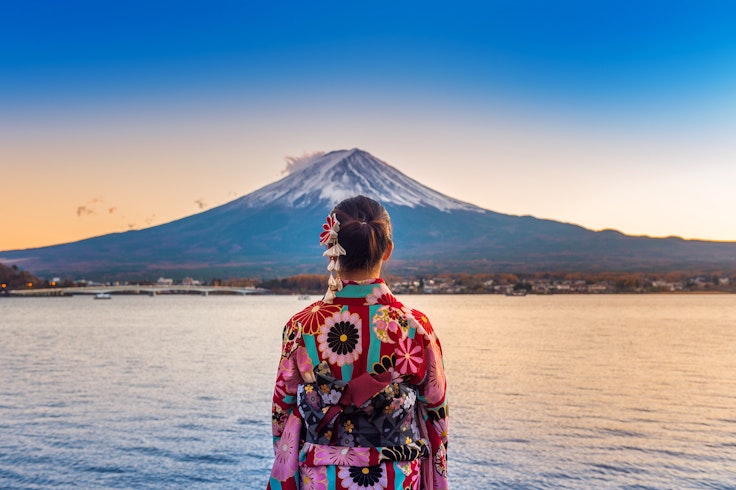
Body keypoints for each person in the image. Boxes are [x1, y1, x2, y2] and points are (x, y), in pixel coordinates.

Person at [267, 195, 449, 489]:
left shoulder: (301, 326)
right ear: (387, 250)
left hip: (321, 476)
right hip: (397, 475)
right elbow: (436, 415)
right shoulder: (416, 327)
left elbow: (282, 411)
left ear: (331, 249)